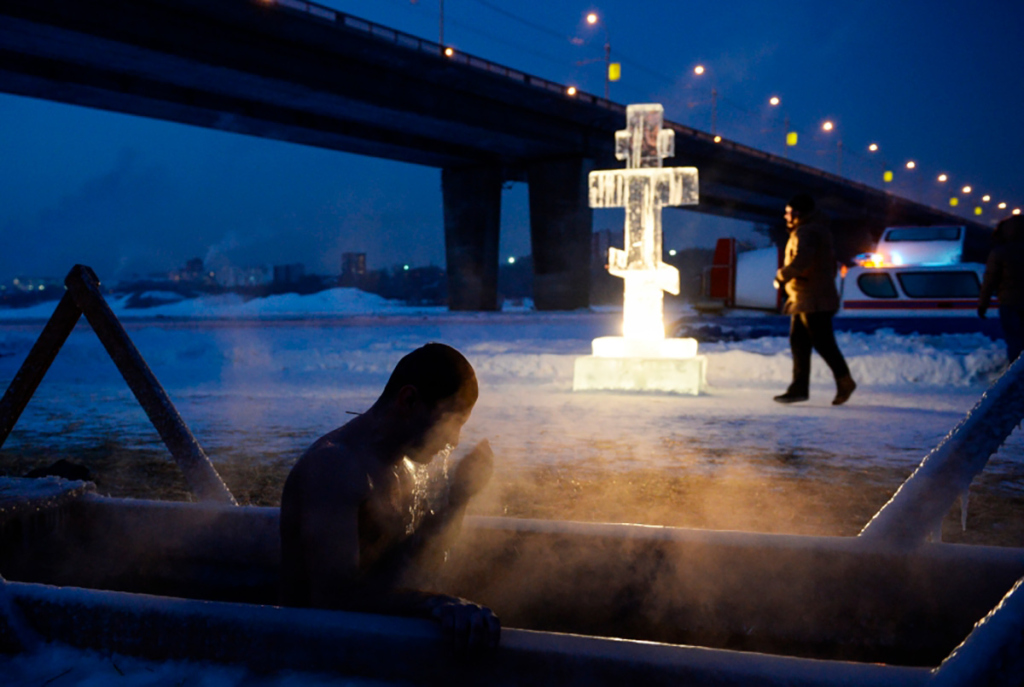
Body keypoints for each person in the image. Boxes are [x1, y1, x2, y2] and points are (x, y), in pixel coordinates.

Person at [279, 343, 500, 650]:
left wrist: (459, 498)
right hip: (311, 654)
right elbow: (331, 598)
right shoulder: (334, 468)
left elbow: (411, 561)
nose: (453, 439)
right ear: (408, 400)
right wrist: (435, 603)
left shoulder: (405, 467)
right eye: (451, 422)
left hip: (369, 641)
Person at [773, 193, 856, 405]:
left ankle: (844, 381)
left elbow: (803, 260)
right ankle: (798, 388)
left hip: (813, 298)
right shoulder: (813, 229)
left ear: (798, 213)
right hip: (805, 297)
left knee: (823, 342)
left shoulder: (808, 231)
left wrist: (782, 276)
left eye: (789, 212)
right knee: (799, 343)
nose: (785, 216)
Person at [979, 215, 1024, 364]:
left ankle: (1018, 375)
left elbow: (990, 280)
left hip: (1010, 303)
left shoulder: (1000, 252)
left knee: (1015, 340)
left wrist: (983, 304)